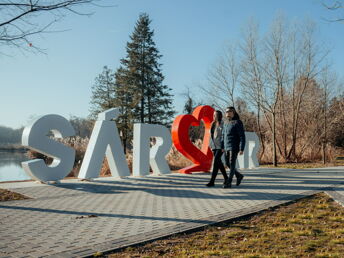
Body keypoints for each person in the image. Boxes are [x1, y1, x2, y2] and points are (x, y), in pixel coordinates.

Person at [222, 106, 245, 188]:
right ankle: (239, 175)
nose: (227, 113)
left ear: (233, 112)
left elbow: (242, 136)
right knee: (227, 163)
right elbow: (223, 136)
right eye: (226, 111)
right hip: (226, 147)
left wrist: (241, 148)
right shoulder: (225, 123)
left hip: (234, 147)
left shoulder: (237, 122)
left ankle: (229, 182)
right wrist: (222, 146)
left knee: (232, 164)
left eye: (229, 111)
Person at [206, 110, 229, 187]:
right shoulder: (212, 124)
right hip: (214, 146)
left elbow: (224, 136)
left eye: (215, 115)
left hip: (220, 146)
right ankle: (226, 178)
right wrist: (211, 146)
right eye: (213, 115)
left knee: (216, 162)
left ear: (219, 116)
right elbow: (211, 136)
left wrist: (223, 146)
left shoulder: (223, 124)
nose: (214, 116)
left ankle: (212, 181)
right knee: (219, 163)